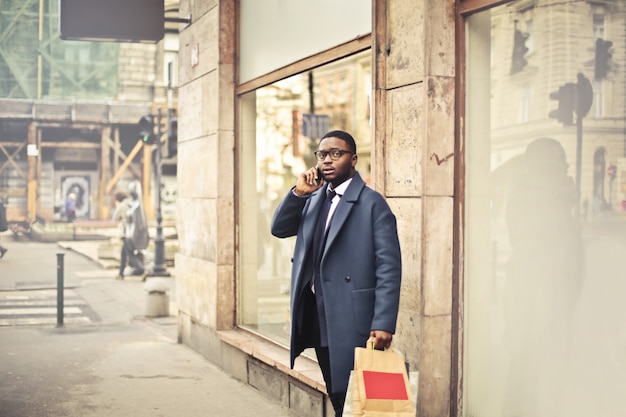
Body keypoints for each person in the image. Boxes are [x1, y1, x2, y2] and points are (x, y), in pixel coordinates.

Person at [271, 130, 402, 416]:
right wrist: (298, 193)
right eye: (322, 155)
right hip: (319, 315)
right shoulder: (314, 198)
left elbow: (389, 267)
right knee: (336, 389)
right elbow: (279, 228)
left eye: (336, 153)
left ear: (353, 159)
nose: (327, 160)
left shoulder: (371, 203)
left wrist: (384, 322)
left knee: (358, 395)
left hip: (353, 317)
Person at [503, 137, 583, 416]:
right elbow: (534, 251)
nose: (567, 163)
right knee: (528, 375)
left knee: (545, 378)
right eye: (560, 158)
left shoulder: (553, 199)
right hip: (535, 306)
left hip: (554, 304)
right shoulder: (532, 197)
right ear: (544, 163)